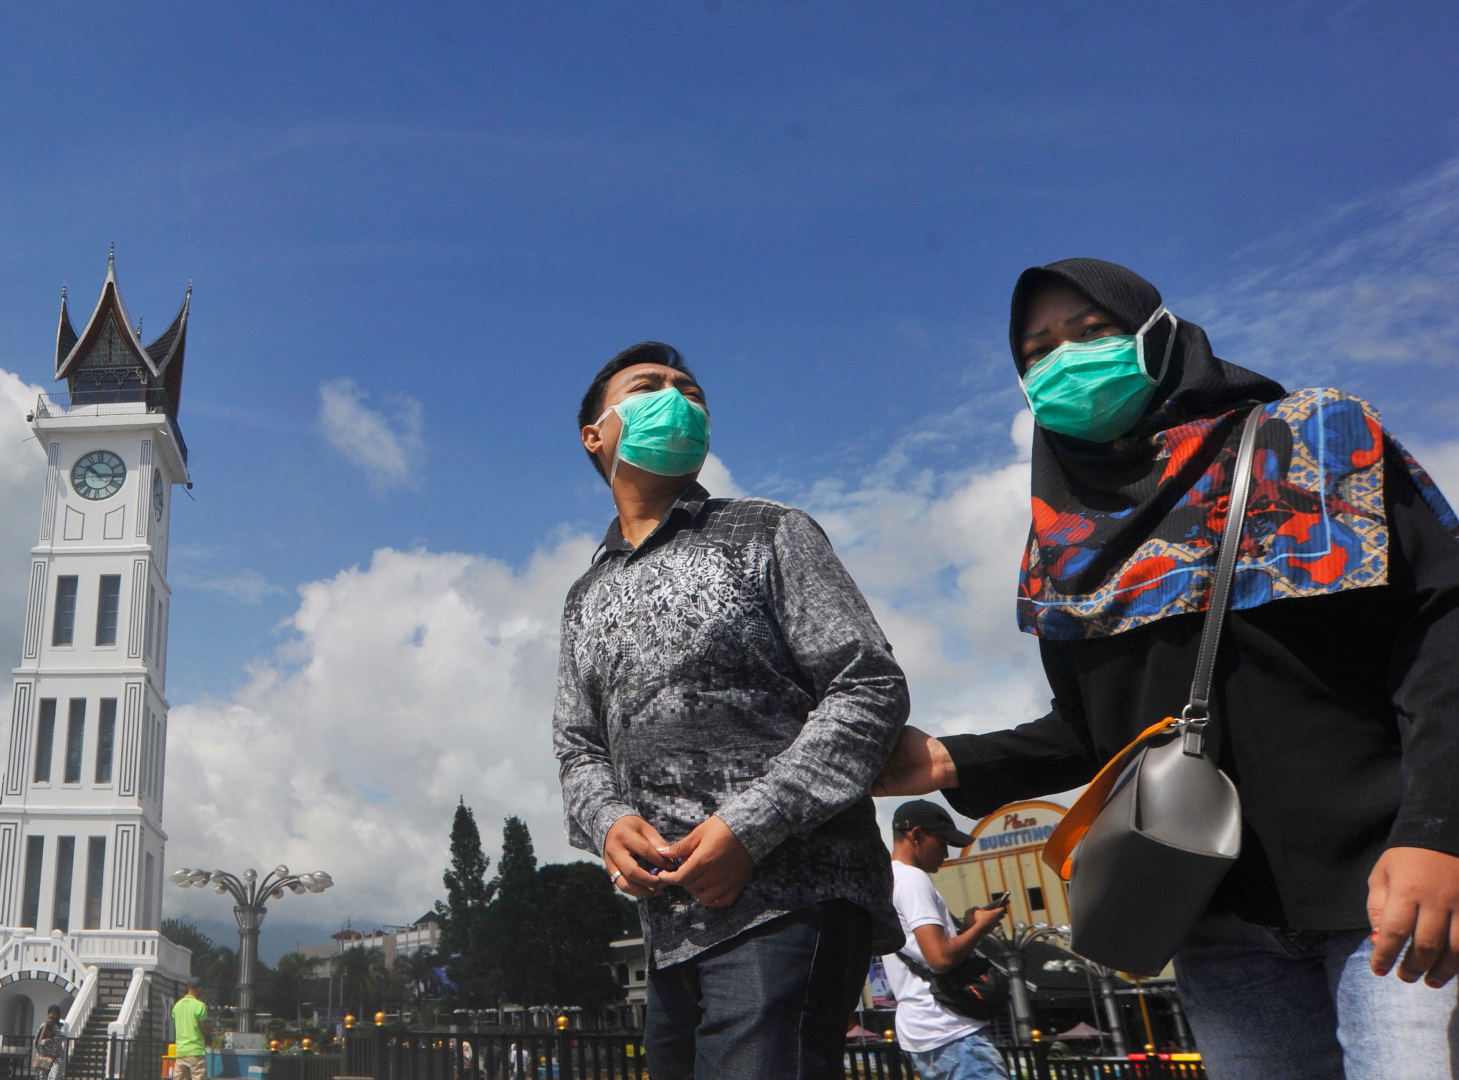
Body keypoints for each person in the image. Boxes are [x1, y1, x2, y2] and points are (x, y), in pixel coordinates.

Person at [875, 257, 1459, 1078]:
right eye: (1037, 351)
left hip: (1386, 891)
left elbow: (1441, 632)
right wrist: (947, 760)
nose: (1065, 361)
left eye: (1092, 332)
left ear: (1160, 338)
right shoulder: (1065, 545)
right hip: (1217, 926)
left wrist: (1439, 831)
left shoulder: (1317, 438)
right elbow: (1097, 730)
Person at [554, 341, 911, 1078]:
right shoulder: (584, 594)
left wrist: (749, 826)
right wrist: (609, 824)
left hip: (794, 895)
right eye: (649, 385)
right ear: (594, 434)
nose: (676, 396)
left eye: (690, 388)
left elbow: (867, 685)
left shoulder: (768, 529)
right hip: (670, 922)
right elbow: (577, 745)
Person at [882, 801, 1010, 1080]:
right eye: (942, 843)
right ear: (916, 835)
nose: (946, 852)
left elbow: (918, 949)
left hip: (922, 1030)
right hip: (951, 1031)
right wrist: (980, 930)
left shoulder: (887, 880)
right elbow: (940, 958)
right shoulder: (913, 880)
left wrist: (965, 928)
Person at [170, 977, 212, 1080]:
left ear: (188, 987)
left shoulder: (177, 1006)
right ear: (199, 989)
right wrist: (209, 1038)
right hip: (196, 1050)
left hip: (181, 1050)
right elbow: (204, 1028)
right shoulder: (200, 1006)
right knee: (198, 1077)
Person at [34, 1004, 68, 1080]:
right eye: (51, 1012)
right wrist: (44, 1042)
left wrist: (54, 1027)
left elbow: (64, 1037)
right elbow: (37, 1041)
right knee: (42, 1077)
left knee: (54, 1077)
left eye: (55, 1013)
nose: (52, 1015)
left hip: (57, 1056)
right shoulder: (43, 1026)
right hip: (44, 1056)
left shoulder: (62, 1026)